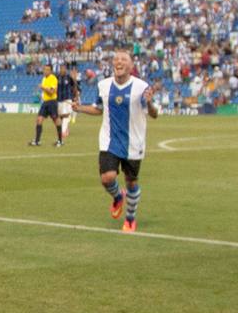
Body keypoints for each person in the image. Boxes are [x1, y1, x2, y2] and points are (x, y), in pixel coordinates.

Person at [74, 50, 157, 233]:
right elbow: (98, 109)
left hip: (133, 143)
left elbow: (154, 114)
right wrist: (79, 108)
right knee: (107, 178)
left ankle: (130, 218)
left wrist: (150, 103)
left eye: (124, 59)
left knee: (131, 182)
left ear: (131, 66)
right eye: (116, 59)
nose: (119, 62)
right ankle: (118, 196)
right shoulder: (103, 85)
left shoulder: (141, 87)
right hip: (109, 141)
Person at [32, 69, 61, 146]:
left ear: (50, 71)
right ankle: (37, 141)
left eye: (47, 70)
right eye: (44, 69)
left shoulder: (53, 79)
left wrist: (43, 87)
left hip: (52, 102)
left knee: (56, 121)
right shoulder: (44, 79)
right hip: (45, 102)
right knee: (39, 120)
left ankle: (60, 141)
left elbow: (52, 92)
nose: (45, 71)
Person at [55, 64, 79, 145]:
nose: (63, 70)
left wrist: (75, 96)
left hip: (67, 98)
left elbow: (74, 86)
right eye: (61, 68)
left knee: (67, 114)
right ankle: (64, 129)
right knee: (60, 116)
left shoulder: (69, 77)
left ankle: (63, 131)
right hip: (58, 99)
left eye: (64, 68)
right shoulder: (56, 77)